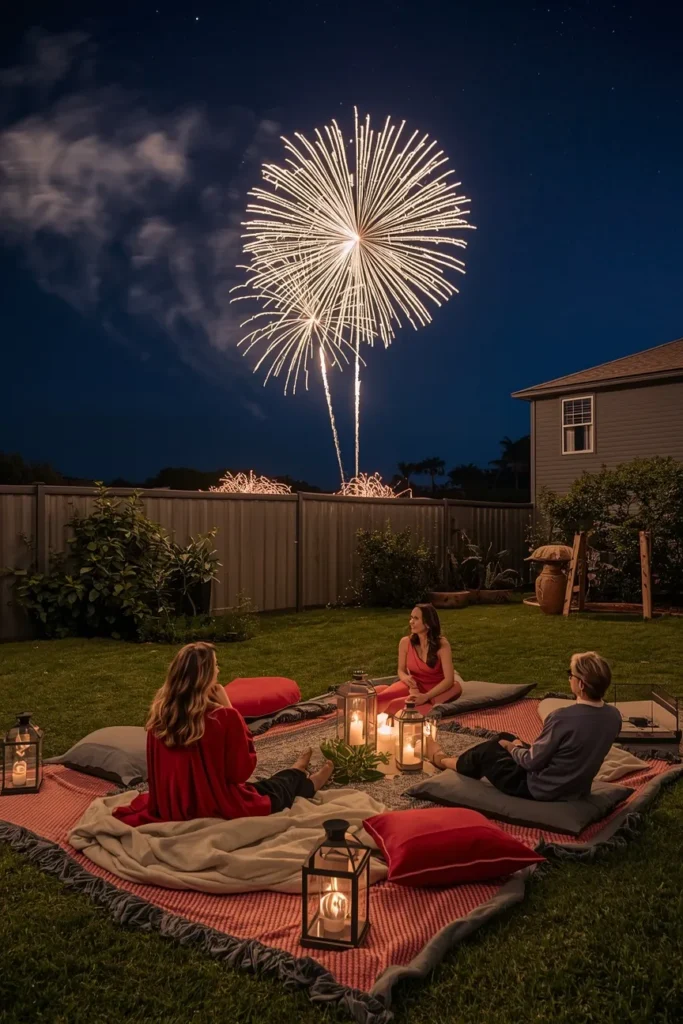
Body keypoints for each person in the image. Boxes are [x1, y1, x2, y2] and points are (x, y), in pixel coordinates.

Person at [114, 642, 333, 827]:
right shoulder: (223, 717)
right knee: (275, 791)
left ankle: (296, 770)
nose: (219, 670)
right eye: (216, 666)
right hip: (216, 803)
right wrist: (230, 708)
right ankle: (304, 780)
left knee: (263, 786)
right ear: (207, 675)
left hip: (173, 805)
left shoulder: (160, 717)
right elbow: (241, 772)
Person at [428, 651, 622, 801]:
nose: (569, 678)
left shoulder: (562, 718)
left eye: (571, 675)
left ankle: (443, 760)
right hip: (576, 786)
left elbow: (531, 763)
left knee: (490, 750)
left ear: (581, 685)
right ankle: (476, 758)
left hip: (540, 788)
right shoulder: (614, 716)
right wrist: (517, 745)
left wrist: (512, 748)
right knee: (506, 735)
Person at [377, 604, 464, 718]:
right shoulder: (405, 642)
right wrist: (406, 678)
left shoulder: (442, 644)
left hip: (437, 690)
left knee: (396, 706)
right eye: (411, 617)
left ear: (427, 623)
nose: (411, 622)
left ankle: (426, 705)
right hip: (414, 685)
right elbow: (401, 670)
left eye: (416, 618)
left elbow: (449, 680)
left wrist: (426, 696)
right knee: (380, 698)